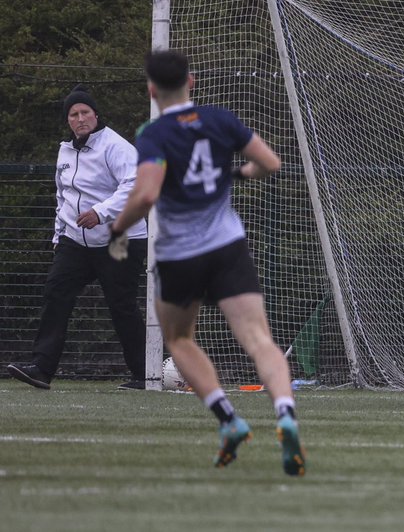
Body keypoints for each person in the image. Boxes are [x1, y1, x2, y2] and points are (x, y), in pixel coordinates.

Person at [107, 49, 305, 477]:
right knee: (258, 338)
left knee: (179, 340)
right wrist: (236, 175)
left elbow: (144, 196)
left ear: (151, 89)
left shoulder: (154, 133)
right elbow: (270, 162)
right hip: (228, 246)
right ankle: (286, 414)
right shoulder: (220, 120)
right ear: (192, 82)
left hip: (181, 255)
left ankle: (230, 420)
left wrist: (117, 229)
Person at [7, 85, 149, 391]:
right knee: (56, 294)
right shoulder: (65, 151)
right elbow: (64, 196)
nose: (80, 118)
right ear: (68, 120)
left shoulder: (115, 146)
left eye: (85, 112)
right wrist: (59, 235)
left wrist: (101, 212)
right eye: (74, 114)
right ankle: (42, 369)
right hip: (75, 241)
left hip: (120, 238)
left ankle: (145, 375)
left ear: (96, 115)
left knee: (121, 305)